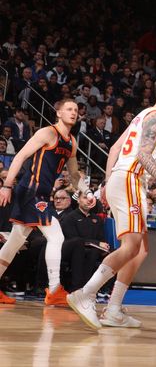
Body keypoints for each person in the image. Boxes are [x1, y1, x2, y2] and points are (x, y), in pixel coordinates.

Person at [67, 75, 156, 329]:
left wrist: (109, 184)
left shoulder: (142, 115)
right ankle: (85, 294)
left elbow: (114, 150)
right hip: (131, 178)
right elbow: (142, 155)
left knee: (140, 250)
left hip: (124, 179)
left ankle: (113, 310)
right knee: (131, 246)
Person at [0, 98, 81, 306]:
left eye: (76, 110)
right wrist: (7, 185)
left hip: (43, 194)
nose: (73, 112)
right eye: (69, 109)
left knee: (15, 242)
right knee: (56, 236)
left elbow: (73, 174)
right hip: (30, 191)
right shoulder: (47, 132)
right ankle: (54, 290)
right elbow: (19, 156)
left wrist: (85, 191)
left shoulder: (72, 142)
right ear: (59, 113)